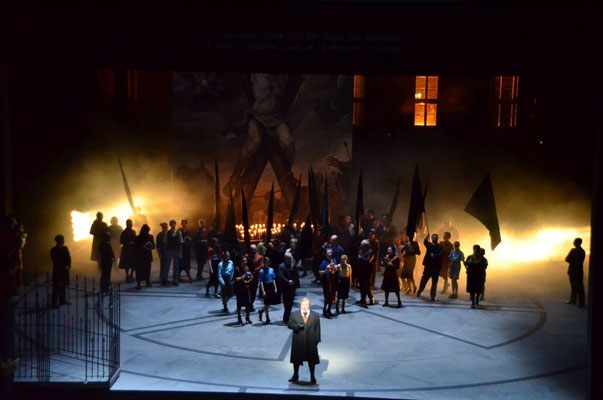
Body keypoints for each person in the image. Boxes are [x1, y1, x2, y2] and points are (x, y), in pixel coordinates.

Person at [287, 297, 321, 384]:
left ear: (309, 306)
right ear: (300, 306)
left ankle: (312, 376)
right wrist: (297, 326)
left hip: (311, 339)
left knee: (311, 360)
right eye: (303, 305)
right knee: (296, 359)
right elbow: (290, 324)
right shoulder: (294, 314)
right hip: (299, 339)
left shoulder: (315, 315)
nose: (304, 306)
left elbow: (317, 328)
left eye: (306, 304)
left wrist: (317, 340)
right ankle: (295, 375)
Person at [417, 233, 443, 302]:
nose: (434, 238)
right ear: (431, 238)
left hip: (436, 267)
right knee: (424, 280)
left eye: (435, 237)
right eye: (433, 237)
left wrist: (435, 256)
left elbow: (441, 254)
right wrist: (427, 236)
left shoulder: (440, 246)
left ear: (437, 239)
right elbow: (425, 242)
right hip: (428, 266)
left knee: (434, 282)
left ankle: (432, 296)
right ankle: (420, 290)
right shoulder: (429, 245)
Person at [50, 234, 71, 307]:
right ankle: (54, 303)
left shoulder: (65, 248)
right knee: (56, 286)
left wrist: (68, 266)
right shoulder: (53, 250)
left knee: (63, 286)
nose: (63, 241)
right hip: (58, 271)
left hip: (64, 270)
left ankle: (63, 300)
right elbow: (55, 261)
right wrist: (63, 266)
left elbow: (68, 258)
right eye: (62, 239)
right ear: (58, 241)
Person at [564, 238, 586, 308]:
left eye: (574, 242)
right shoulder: (582, 251)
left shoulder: (573, 250)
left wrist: (573, 261)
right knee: (580, 286)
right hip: (579, 270)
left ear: (576, 243)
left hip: (572, 270)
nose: (573, 243)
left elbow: (567, 259)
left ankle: (573, 300)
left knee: (574, 286)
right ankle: (581, 302)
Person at [278, 252, 297, 323]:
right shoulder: (281, 266)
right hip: (285, 288)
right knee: (286, 303)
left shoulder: (292, 265)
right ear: (286, 258)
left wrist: (294, 281)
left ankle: (288, 316)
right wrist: (288, 281)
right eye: (289, 258)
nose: (290, 260)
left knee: (291, 303)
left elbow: (295, 273)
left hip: (292, 287)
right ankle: (286, 318)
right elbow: (280, 276)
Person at [134, 224, 155, 290]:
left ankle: (147, 281)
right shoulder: (138, 238)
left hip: (148, 256)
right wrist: (142, 248)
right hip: (140, 256)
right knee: (139, 270)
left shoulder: (150, 237)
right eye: (146, 232)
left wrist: (150, 246)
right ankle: (139, 283)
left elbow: (154, 246)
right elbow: (136, 247)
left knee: (147, 269)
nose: (147, 233)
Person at [233, 256, 253, 324]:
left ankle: (247, 317)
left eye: (245, 261)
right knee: (239, 304)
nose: (244, 262)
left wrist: (250, 278)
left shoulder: (247, 268)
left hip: (246, 288)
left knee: (248, 304)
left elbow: (250, 275)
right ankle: (239, 318)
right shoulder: (237, 269)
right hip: (239, 289)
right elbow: (235, 279)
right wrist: (242, 277)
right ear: (240, 262)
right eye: (243, 261)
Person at [258, 256, 278, 325]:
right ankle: (267, 317)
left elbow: (273, 279)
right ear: (264, 263)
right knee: (267, 303)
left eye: (269, 262)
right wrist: (263, 291)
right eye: (266, 262)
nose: (268, 264)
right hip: (265, 287)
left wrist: (275, 288)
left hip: (271, 286)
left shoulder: (271, 269)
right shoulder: (261, 271)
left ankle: (261, 311)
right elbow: (261, 282)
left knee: (269, 303)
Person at [164, 220, 183, 286]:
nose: (173, 225)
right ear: (170, 225)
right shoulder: (167, 233)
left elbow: (181, 243)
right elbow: (165, 243)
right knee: (167, 266)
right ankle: (165, 280)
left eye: (174, 224)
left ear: (175, 224)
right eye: (172, 224)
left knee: (176, 266)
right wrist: (166, 251)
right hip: (169, 250)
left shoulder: (179, 233)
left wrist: (180, 253)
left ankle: (175, 280)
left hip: (176, 251)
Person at [319, 250, 338, 317]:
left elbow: (335, 269)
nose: (329, 254)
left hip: (333, 281)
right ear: (326, 255)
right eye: (328, 253)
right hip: (327, 282)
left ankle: (329, 310)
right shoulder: (324, 263)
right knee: (327, 296)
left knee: (332, 296)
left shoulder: (334, 261)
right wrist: (326, 271)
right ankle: (324, 309)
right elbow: (320, 272)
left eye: (330, 253)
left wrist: (336, 269)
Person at [357, 239, 375, 306]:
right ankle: (363, 299)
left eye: (362, 244)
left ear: (365, 245)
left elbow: (368, 261)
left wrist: (361, 258)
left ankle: (371, 298)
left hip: (367, 271)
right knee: (361, 286)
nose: (361, 245)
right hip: (361, 271)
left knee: (367, 286)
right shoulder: (360, 251)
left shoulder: (370, 252)